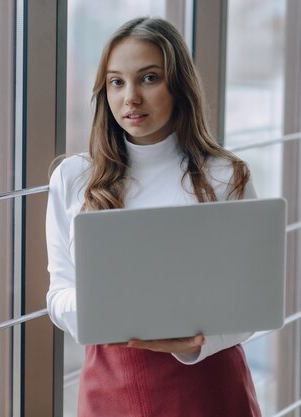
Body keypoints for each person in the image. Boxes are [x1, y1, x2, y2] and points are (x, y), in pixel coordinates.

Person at [46, 17, 261, 417]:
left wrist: (196, 342)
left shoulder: (224, 177)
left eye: (148, 78)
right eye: (116, 82)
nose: (130, 97)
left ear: (178, 85)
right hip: (108, 384)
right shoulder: (74, 177)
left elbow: (250, 306)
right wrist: (101, 311)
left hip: (206, 383)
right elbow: (57, 293)